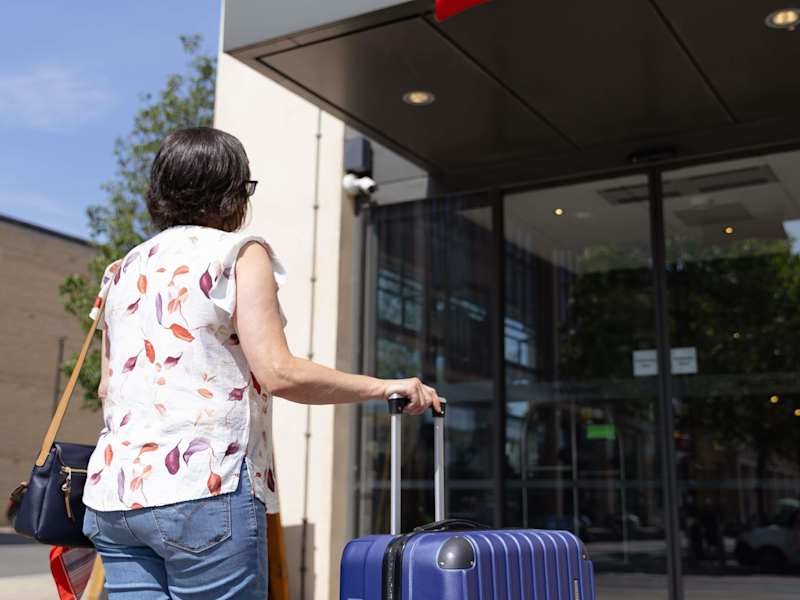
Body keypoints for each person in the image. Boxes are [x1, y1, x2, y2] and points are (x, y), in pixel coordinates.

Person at [81, 127, 440, 599]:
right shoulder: (237, 253)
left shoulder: (123, 269)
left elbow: (107, 389)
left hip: (115, 497)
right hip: (203, 488)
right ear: (232, 193)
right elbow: (279, 372)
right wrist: (382, 386)